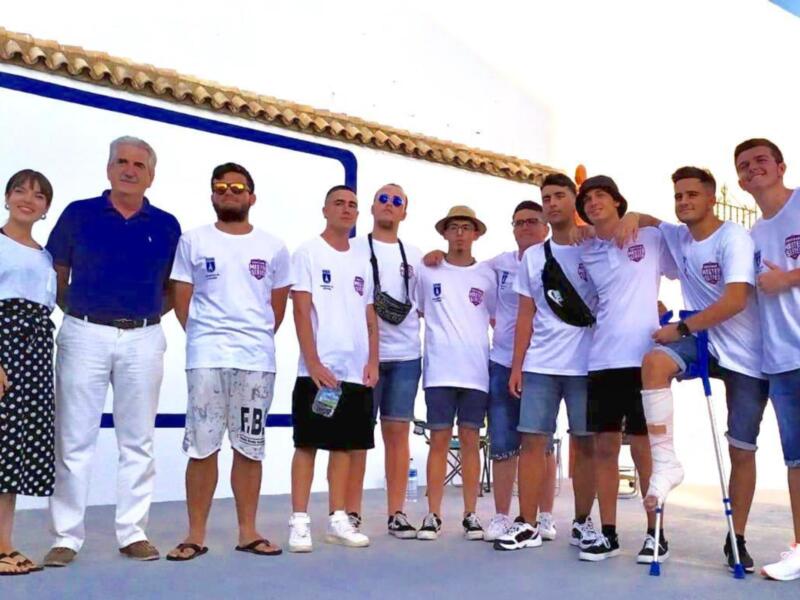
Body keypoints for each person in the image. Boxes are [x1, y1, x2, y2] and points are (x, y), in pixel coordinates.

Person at [44, 137, 181, 566]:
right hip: (84, 332)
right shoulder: (78, 214)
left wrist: (138, 318)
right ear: (108, 169)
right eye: (121, 162)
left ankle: (133, 532)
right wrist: (83, 313)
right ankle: (66, 537)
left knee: (137, 440)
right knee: (73, 439)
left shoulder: (166, 224)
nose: (129, 169)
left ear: (151, 175)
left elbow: (173, 286)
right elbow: (56, 272)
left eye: (139, 164)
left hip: (143, 336)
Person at [622, 166, 767, 570]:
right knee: (653, 363)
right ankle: (667, 463)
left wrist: (680, 326)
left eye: (692, 195)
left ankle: (736, 537)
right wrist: (634, 217)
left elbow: (736, 299)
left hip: (747, 355)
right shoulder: (680, 235)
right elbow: (650, 222)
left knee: (741, 449)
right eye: (679, 196)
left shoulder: (732, 238)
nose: (684, 202)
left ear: (710, 198)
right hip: (704, 343)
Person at [166, 163, 291, 561]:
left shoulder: (274, 247)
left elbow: (277, 308)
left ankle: (248, 531)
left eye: (238, 187)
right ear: (212, 195)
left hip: (256, 359)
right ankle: (195, 535)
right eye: (220, 186)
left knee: (250, 447)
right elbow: (182, 299)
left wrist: (251, 339)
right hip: (206, 356)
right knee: (202, 447)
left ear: (252, 196)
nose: (229, 192)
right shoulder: (193, 241)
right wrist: (205, 339)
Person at [573, 176, 677, 563]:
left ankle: (656, 535)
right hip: (601, 360)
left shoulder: (649, 238)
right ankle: (609, 534)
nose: (594, 202)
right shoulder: (586, 250)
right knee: (604, 447)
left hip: (643, 360)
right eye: (588, 199)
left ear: (618, 202)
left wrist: (640, 216)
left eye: (602, 196)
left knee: (644, 449)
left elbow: (680, 235)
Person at [495, 174, 598, 551]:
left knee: (584, 445)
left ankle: (584, 523)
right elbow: (525, 314)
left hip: (587, 364)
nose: (552, 203)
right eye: (546, 198)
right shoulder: (534, 257)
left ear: (575, 200)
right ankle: (527, 523)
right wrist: (518, 365)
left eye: (559, 196)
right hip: (540, 364)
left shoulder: (595, 247)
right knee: (532, 443)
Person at [287, 185, 379, 552]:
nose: (346, 209)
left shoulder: (361, 259)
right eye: (339, 203)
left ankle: (338, 517)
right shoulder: (307, 252)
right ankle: (299, 521)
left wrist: (372, 359)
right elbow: (300, 309)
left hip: (355, 372)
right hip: (318, 372)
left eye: (352, 205)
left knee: (344, 447)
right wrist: (312, 362)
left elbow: (369, 313)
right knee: (307, 444)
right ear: (324, 209)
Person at [735, 138, 800, 581]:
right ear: (739, 180)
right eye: (744, 165)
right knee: (796, 459)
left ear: (780, 166)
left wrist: (791, 278)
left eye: (761, 160)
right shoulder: (752, 236)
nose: (753, 168)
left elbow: (780, 283)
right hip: (780, 360)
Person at [347, 184, 423, 538]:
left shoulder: (416, 256)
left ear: (405, 212)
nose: (389, 205)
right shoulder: (353, 249)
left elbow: (426, 303)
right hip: (364, 357)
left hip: (406, 357)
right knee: (358, 436)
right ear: (372, 208)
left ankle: (397, 512)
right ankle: (351, 512)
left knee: (398, 436)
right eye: (383, 199)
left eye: (397, 202)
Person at [415, 206, 495, 541]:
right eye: (454, 228)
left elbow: (497, 319)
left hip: (476, 371)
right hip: (439, 372)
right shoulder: (427, 270)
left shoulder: (488, 274)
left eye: (466, 227)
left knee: (471, 443)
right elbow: (416, 311)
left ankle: (471, 515)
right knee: (439, 442)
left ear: (476, 233)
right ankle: (433, 515)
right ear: (445, 233)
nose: (460, 233)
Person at [0, 170, 57, 575]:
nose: (27, 199)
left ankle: (4, 542)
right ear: (6, 198)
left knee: (14, 453)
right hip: (4, 346)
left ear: (45, 209)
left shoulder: (44, 255)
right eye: (19, 190)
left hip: (34, 354)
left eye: (38, 195)